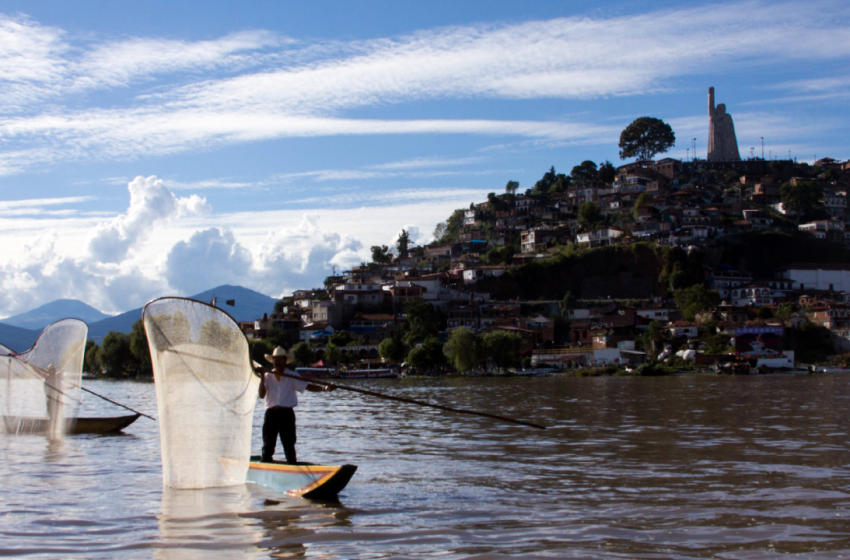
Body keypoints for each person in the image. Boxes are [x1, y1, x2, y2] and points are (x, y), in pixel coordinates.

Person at [256, 346, 335, 464]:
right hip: (271, 414)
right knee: (268, 445)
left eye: (279, 359)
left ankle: (292, 466)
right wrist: (262, 376)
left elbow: (308, 386)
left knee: (289, 445)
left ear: (284, 361)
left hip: (286, 414)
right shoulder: (267, 376)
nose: (277, 362)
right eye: (275, 359)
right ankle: (265, 465)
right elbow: (261, 395)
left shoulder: (292, 376)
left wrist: (324, 388)